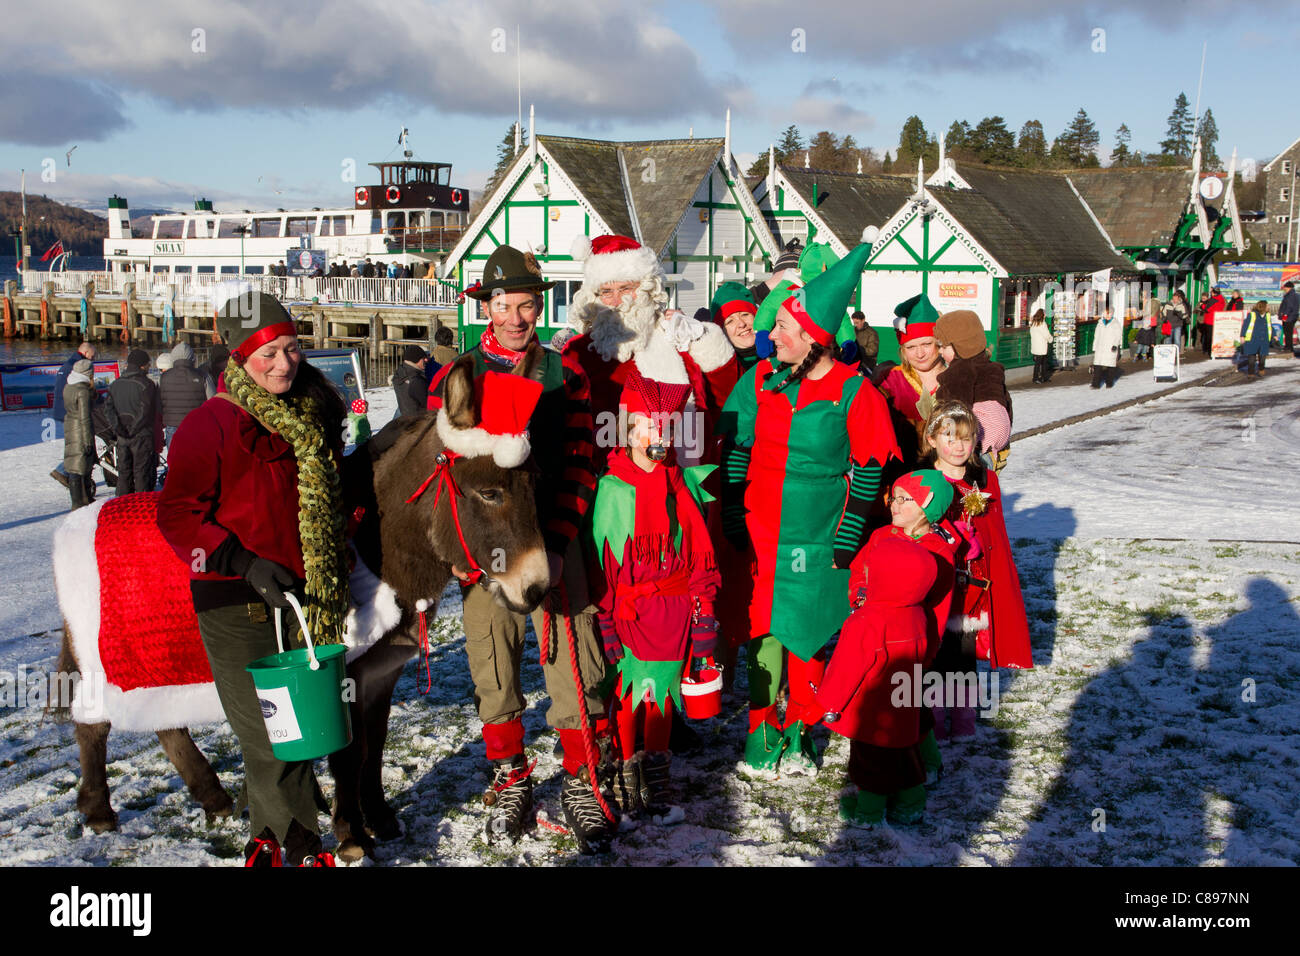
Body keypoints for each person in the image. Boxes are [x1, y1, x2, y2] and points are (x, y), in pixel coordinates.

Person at [425, 245, 612, 852]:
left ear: (540, 306)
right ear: (487, 306)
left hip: (555, 539)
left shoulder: (566, 374)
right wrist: (459, 551)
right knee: (493, 661)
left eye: (526, 305)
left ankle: (583, 780)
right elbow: (438, 477)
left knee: (575, 662)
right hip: (488, 552)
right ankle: (510, 778)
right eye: (504, 305)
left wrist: (558, 544)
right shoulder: (454, 378)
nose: (515, 317)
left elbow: (584, 463)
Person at [157, 291, 348, 867]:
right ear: (240, 358)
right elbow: (177, 514)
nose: (284, 364)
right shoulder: (208, 425)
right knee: (269, 736)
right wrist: (240, 560)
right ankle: (302, 844)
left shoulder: (309, 418)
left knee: (301, 727)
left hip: (303, 600)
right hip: (233, 601)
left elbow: (331, 499)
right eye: (267, 353)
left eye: (291, 349)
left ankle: (265, 841)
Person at [719, 240, 901, 777]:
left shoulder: (853, 391)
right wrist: (732, 507)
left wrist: (849, 530)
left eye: (783, 329)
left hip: (817, 527)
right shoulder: (758, 381)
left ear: (813, 340)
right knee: (761, 628)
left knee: (806, 629)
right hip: (758, 525)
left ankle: (800, 727)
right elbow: (735, 449)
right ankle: (759, 728)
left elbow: (870, 465)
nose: (770, 334)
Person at [592, 370, 720, 823]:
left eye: (665, 426)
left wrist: (704, 614)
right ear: (628, 430)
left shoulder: (681, 486)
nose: (658, 435)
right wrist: (605, 620)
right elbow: (603, 567)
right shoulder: (611, 489)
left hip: (674, 610)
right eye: (648, 425)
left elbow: (700, 556)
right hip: (629, 609)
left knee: (662, 692)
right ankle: (627, 768)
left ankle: (657, 770)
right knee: (630, 692)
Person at [814, 473, 955, 827]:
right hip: (885, 628)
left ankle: (927, 764)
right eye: (893, 497)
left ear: (926, 508)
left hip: (909, 646)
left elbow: (937, 603)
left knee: (912, 713)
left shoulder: (937, 550)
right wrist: (862, 594)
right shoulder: (882, 536)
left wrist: (927, 645)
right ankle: (914, 785)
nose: (894, 504)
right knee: (905, 716)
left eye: (905, 499)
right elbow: (863, 569)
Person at [565, 234, 737, 471]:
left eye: (626, 288)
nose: (617, 301)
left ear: (647, 288)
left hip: (682, 482)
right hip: (609, 486)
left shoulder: (678, 338)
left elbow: (727, 399)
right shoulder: (579, 353)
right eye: (606, 292)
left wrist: (703, 340)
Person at [922, 403, 1032, 755]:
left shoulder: (982, 480)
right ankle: (934, 717)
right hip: (932, 580)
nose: (958, 446)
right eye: (949, 438)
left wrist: (977, 544)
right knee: (934, 651)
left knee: (963, 651)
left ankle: (964, 715)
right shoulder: (922, 478)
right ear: (932, 439)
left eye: (966, 439)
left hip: (970, 584)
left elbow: (993, 532)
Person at [932, 309, 1012, 470]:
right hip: (1000, 432)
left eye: (943, 346)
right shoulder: (991, 366)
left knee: (971, 476)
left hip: (980, 435)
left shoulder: (959, 371)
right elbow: (1006, 401)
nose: (939, 351)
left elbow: (955, 407)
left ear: (960, 346)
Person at [875, 295, 946, 469]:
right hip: (899, 478)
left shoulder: (958, 378)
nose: (919, 354)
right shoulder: (889, 381)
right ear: (903, 351)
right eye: (911, 347)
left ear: (938, 343)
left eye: (926, 344)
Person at [105, 349, 161, 494]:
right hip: (141, 434)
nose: (149, 367)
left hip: (122, 435)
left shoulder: (115, 384)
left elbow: (109, 409)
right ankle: (141, 504)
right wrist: (134, 428)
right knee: (141, 472)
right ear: (142, 366)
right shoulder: (146, 384)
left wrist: (119, 428)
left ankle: (122, 504)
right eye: (148, 364)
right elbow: (146, 410)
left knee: (124, 472)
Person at [50, 341, 98, 489]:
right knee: (79, 445)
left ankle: (68, 471)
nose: (93, 359)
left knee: (74, 444)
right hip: (70, 411)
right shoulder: (79, 366)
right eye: (93, 356)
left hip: (62, 409)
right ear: (86, 353)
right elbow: (82, 391)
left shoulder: (68, 364)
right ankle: (63, 470)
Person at [159, 341, 213, 449]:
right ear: (192, 358)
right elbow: (213, 401)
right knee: (196, 460)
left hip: (172, 425)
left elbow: (160, 402)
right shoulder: (203, 376)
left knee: (174, 461)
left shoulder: (164, 377)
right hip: (196, 425)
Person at [61, 358, 98, 509]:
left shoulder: (69, 386)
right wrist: (89, 439)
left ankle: (77, 500)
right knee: (82, 466)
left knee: (74, 464)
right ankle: (81, 501)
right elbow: (85, 417)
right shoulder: (83, 391)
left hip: (70, 426)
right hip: (81, 430)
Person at [711, 281, 760, 373]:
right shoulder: (720, 371)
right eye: (730, 321)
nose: (742, 324)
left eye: (745, 314)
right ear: (722, 331)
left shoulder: (781, 354)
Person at [1088, 308, 1123, 390]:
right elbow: (1096, 335)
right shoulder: (1100, 323)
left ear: (1112, 314)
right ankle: (1095, 384)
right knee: (1097, 366)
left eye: (1109, 313)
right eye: (1106, 313)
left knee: (1110, 366)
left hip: (1110, 347)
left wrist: (1115, 344)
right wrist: (1095, 346)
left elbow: (1118, 335)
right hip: (1100, 347)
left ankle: (1109, 383)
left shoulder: (1116, 324)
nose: (1108, 315)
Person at [391, 344, 430, 418]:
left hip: (405, 419)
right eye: (423, 358)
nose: (426, 360)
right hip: (418, 422)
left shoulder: (400, 374)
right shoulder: (416, 381)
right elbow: (428, 403)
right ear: (415, 359)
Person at [1240, 300, 1270, 377]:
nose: (1268, 307)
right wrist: (1242, 336)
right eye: (1267, 306)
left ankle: (1261, 369)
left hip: (1264, 340)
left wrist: (1275, 336)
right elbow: (1245, 325)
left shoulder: (1267, 315)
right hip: (1252, 339)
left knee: (1262, 357)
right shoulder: (1252, 315)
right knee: (1251, 359)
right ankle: (1251, 373)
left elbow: (1270, 326)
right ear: (1263, 307)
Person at [1029, 309, 1053, 382]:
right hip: (1041, 346)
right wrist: (1050, 339)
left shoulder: (1033, 323)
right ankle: (1036, 378)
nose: (1045, 315)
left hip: (1036, 345)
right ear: (1042, 315)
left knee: (1040, 362)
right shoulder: (1042, 324)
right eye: (1044, 314)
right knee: (1041, 363)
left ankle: (1043, 377)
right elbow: (1046, 334)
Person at [1279, 281, 1298, 353]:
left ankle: (1288, 347)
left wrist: (1284, 317)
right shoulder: (1295, 295)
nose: (1284, 289)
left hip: (1288, 317)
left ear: (1289, 288)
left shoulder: (1290, 295)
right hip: (1293, 316)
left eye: (1285, 287)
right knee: (1289, 332)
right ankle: (1289, 347)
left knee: (1287, 332)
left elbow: (1289, 307)